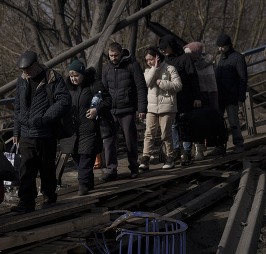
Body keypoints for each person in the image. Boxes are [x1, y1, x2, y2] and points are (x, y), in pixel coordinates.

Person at [11, 50, 72, 210]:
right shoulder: (21, 80)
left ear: (36, 65)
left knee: (47, 167)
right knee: (26, 168)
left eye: (28, 70)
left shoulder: (52, 78)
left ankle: (49, 196)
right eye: (23, 71)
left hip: (46, 131)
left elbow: (64, 100)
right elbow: (17, 105)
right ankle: (26, 201)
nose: (26, 73)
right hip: (26, 132)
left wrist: (46, 118)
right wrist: (16, 131)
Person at [63, 59, 112, 195]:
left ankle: (83, 184)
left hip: (90, 127)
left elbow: (108, 100)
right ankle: (88, 181)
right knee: (77, 157)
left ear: (83, 74)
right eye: (71, 76)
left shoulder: (94, 85)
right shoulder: (68, 88)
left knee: (86, 156)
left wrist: (97, 109)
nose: (73, 79)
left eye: (76, 76)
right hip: (72, 130)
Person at [100, 42, 146, 180]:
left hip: (127, 110)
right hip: (111, 111)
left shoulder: (132, 66)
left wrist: (142, 108)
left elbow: (141, 88)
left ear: (121, 53)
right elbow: (103, 90)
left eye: (115, 55)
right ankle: (111, 170)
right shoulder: (106, 68)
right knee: (108, 141)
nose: (113, 58)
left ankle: (134, 168)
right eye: (111, 55)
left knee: (130, 141)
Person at [158, 35, 201, 165]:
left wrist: (197, 97)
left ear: (172, 46)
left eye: (166, 48)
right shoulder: (165, 61)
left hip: (186, 97)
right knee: (173, 125)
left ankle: (187, 151)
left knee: (185, 124)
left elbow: (194, 78)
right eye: (161, 49)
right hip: (171, 99)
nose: (164, 51)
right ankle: (176, 150)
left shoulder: (185, 58)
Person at [140, 48, 182, 170]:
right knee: (149, 133)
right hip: (152, 108)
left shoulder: (170, 69)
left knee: (165, 134)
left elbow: (178, 86)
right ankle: (145, 158)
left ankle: (170, 157)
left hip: (167, 107)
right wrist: (155, 69)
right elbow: (146, 83)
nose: (149, 62)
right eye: (147, 60)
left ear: (157, 57)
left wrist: (162, 83)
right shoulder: (148, 71)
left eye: (151, 59)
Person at [211, 33, 249, 155]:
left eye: (222, 47)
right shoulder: (219, 58)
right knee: (218, 122)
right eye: (219, 47)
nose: (220, 49)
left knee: (233, 122)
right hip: (220, 96)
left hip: (232, 96)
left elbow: (243, 79)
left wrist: (240, 97)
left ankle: (238, 144)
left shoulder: (238, 58)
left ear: (228, 45)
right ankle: (219, 146)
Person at [184, 41, 218, 160]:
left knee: (208, 121)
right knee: (197, 124)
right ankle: (197, 150)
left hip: (207, 96)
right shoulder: (189, 64)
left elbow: (210, 83)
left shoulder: (205, 64)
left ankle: (212, 146)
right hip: (196, 96)